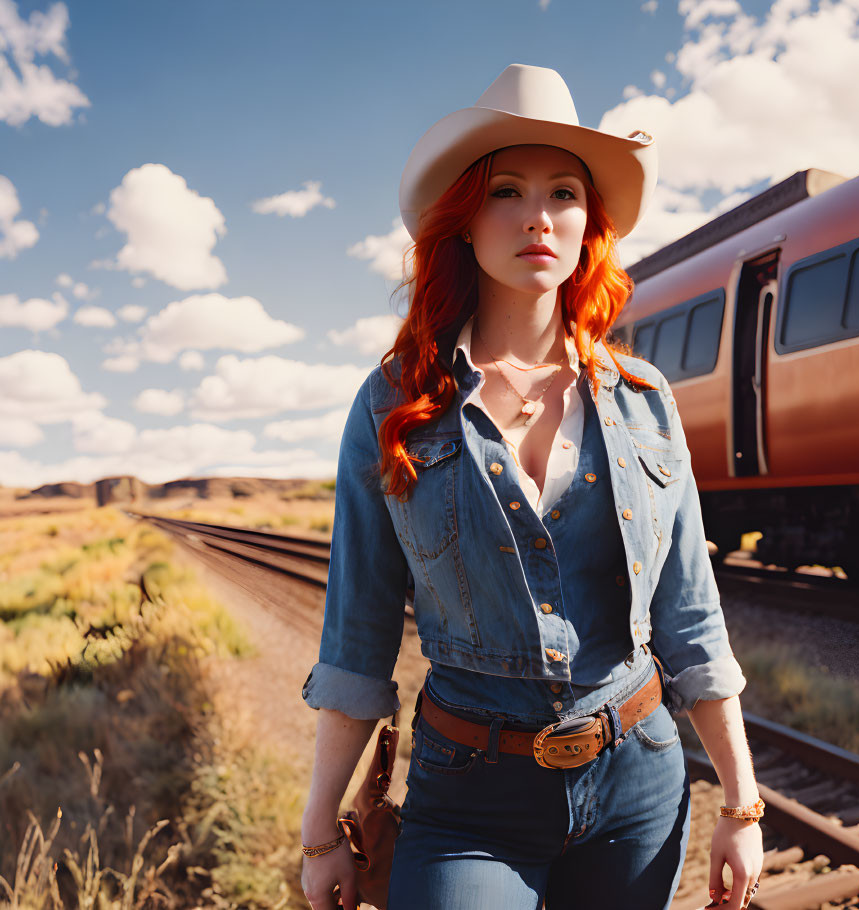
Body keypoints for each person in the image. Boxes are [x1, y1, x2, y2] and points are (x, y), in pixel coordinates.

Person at [299, 63, 765, 910]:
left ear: (589, 225)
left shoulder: (644, 400)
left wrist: (741, 801)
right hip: (468, 794)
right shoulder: (396, 402)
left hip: (638, 780)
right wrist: (320, 827)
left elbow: (692, 620)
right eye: (506, 191)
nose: (538, 217)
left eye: (563, 194)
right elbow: (357, 633)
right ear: (464, 221)